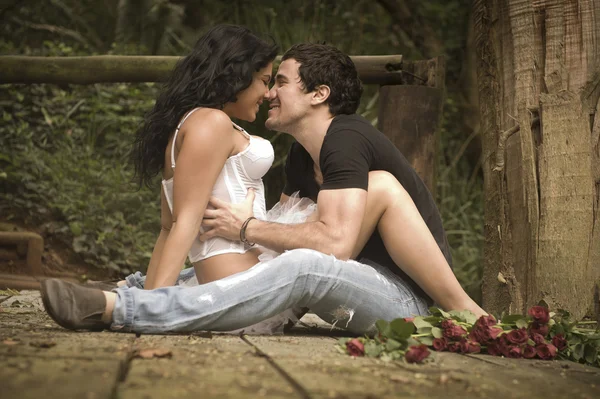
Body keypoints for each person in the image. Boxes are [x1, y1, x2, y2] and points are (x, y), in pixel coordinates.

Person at [40, 43, 485, 335]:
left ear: (318, 94)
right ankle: (129, 291)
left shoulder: (346, 138)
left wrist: (247, 226)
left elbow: (333, 242)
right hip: (351, 287)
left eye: (282, 82)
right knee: (271, 264)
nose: (270, 91)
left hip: (406, 302)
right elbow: (283, 240)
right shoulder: (298, 156)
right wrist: (233, 236)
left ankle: (124, 310)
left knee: (305, 266)